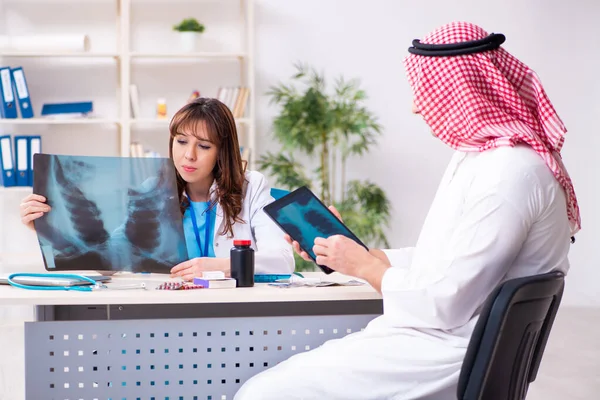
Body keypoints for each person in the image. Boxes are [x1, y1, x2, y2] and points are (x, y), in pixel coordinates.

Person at [234, 21, 579, 400]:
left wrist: (365, 267)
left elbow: (445, 302)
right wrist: (357, 255)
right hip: (435, 339)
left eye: (425, 92)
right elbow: (444, 261)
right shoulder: (485, 160)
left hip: (449, 353)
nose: (416, 106)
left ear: (458, 91)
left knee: (262, 393)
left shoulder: (509, 173)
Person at [19, 98, 295, 279]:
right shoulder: (153, 189)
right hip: (169, 311)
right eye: (181, 141)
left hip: (237, 313)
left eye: (204, 146)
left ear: (223, 152)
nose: (189, 156)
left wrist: (219, 266)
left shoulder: (251, 187)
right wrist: (48, 227)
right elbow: (111, 257)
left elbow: (283, 261)